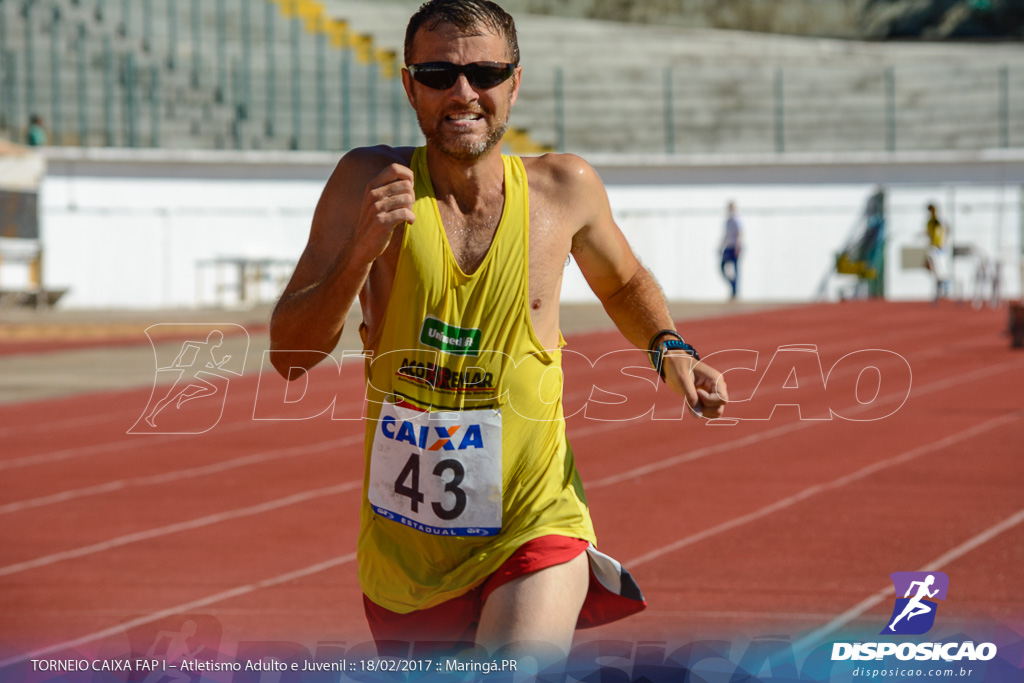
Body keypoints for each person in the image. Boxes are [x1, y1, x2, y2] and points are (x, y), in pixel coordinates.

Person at [269, 0, 728, 662]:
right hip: (407, 556)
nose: (464, 93)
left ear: (515, 83)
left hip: (534, 525)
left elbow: (625, 283)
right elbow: (290, 355)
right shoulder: (365, 184)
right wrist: (358, 255)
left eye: (485, 73)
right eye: (438, 73)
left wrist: (670, 347)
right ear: (408, 85)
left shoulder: (564, 190)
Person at [924, 203, 949, 301]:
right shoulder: (930, 222)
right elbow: (929, 234)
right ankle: (940, 283)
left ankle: (945, 285)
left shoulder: (939, 221)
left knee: (941, 269)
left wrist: (945, 241)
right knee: (936, 270)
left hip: (940, 248)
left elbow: (945, 229)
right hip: (934, 247)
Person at [720, 201, 742, 300]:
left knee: (736, 269)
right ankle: (732, 285)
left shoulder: (737, 220)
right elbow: (726, 235)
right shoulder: (728, 221)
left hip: (734, 247)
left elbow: (740, 233)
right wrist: (721, 246)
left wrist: (738, 246)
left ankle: (734, 292)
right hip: (728, 247)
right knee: (722, 267)